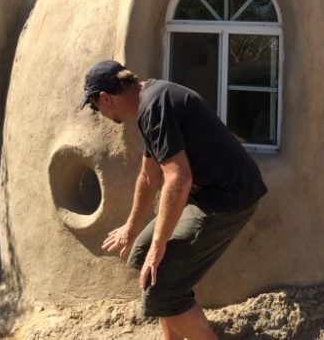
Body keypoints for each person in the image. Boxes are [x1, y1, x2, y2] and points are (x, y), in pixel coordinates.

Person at [84, 60, 266, 340]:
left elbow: (179, 179)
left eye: (96, 108)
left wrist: (160, 247)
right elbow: (148, 177)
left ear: (106, 98)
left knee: (162, 285)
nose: (100, 115)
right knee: (146, 258)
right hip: (207, 194)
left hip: (228, 197)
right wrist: (131, 227)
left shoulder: (155, 107)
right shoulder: (150, 103)